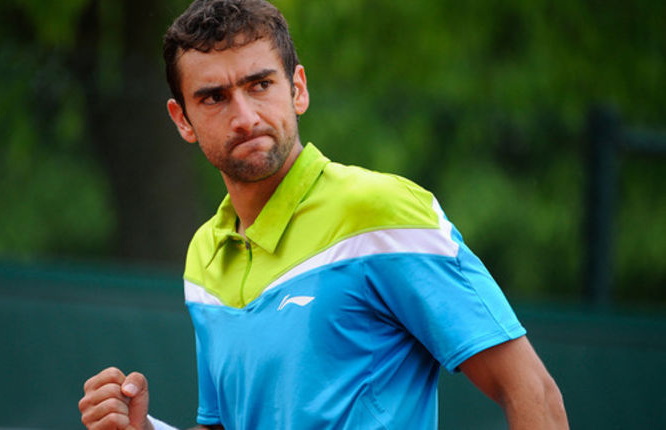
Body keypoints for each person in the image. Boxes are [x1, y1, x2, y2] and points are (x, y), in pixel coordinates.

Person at [79, 0, 568, 429]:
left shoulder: (380, 211)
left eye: (260, 84)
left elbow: (531, 392)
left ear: (298, 90)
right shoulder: (203, 256)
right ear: (182, 119)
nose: (245, 116)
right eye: (214, 97)